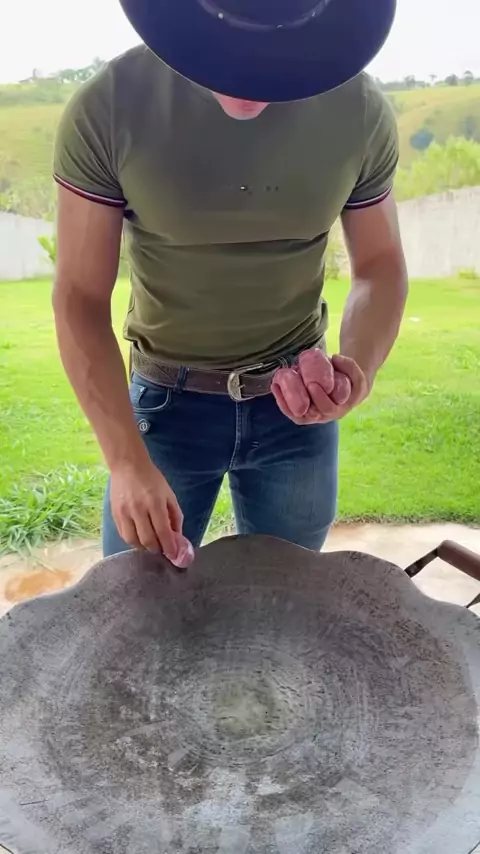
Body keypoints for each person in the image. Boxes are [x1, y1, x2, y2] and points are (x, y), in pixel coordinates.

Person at [52, 0, 408, 568]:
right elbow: (80, 297)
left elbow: (381, 263)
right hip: (166, 406)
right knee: (143, 599)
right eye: (228, 48)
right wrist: (125, 462)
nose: (247, 87)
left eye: (274, 51)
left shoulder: (359, 110)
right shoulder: (110, 106)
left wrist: (358, 367)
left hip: (297, 409)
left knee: (285, 597)